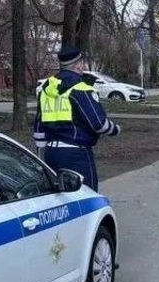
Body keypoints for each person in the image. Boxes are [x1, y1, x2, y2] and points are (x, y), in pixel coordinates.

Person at [33, 46, 121, 190]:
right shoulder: (80, 89)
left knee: (59, 197)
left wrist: (41, 156)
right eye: (83, 62)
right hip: (76, 155)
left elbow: (38, 127)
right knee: (86, 196)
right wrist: (115, 129)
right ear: (78, 65)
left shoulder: (46, 90)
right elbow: (99, 124)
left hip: (51, 154)